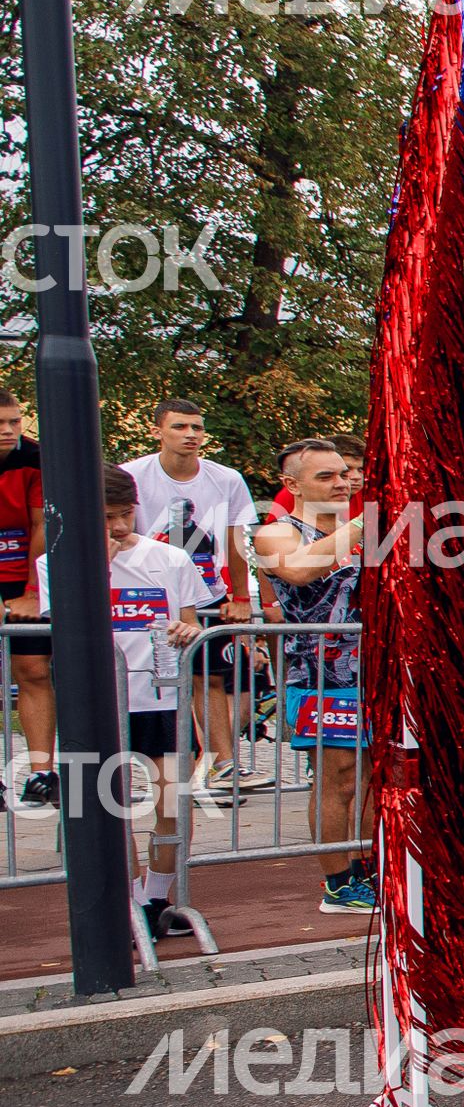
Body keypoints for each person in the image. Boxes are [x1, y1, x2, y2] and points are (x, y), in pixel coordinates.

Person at [48, 468, 214, 936]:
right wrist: (96, 565)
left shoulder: (169, 557)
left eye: (126, 513)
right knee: (102, 809)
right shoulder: (56, 563)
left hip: (160, 699)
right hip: (97, 704)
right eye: (106, 518)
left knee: (173, 800)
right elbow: (58, 629)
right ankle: (115, 903)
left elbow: (191, 624)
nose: (121, 527)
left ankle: (154, 899)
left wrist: (189, 632)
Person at [247, 439, 378, 912]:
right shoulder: (277, 533)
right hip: (317, 676)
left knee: (368, 779)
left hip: (370, 672)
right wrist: (364, 523)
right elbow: (299, 573)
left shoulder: (357, 530)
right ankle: (337, 884)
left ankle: (370, 872)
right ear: (291, 485)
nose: (342, 483)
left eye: (344, 473)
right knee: (335, 779)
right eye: (326, 476)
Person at [124, 397, 266, 801]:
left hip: (210, 596)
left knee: (210, 677)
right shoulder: (132, 475)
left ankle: (223, 764)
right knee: (150, 681)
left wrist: (240, 595)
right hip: (150, 597)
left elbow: (238, 539)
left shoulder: (226, 478)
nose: (191, 435)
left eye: (197, 428)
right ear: (157, 432)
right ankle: (141, 775)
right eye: (180, 427)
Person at [1, 394, 55, 809]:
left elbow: (41, 522)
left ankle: (41, 774)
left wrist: (32, 590)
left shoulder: (36, 457)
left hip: (24, 576)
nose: (8, 430)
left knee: (33, 670)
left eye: (15, 422)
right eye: (1, 423)